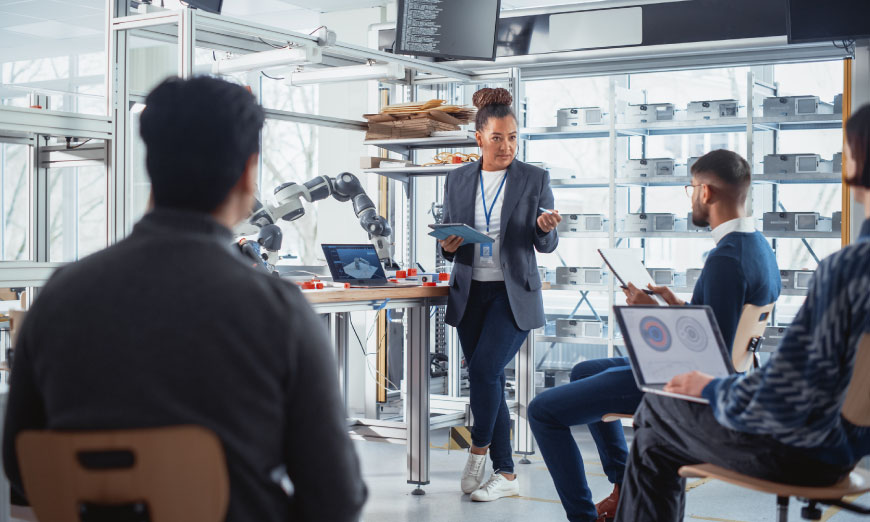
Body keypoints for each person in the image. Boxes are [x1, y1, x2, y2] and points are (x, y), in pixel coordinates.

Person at [2, 76, 367, 522]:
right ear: (249, 172)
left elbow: (20, 471)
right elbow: (335, 497)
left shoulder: (60, 295)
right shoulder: (279, 312)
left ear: (152, 164)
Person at [614, 104, 870, 522]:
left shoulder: (848, 271)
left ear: (858, 163)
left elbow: (784, 397)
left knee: (657, 412)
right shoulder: (762, 249)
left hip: (802, 451)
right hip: (849, 447)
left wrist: (710, 389)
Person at [528, 149, 781, 522]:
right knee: (583, 370)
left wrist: (648, 313)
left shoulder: (725, 260)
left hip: (679, 382)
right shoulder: (758, 247)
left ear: (707, 193)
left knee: (542, 412)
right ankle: (623, 486)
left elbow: (712, 360)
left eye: (691, 188)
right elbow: (717, 327)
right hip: (706, 372)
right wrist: (674, 306)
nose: (691, 196)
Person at [439, 87, 561, 502]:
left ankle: (477, 450)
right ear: (479, 138)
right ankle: (506, 476)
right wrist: (448, 246)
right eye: (497, 138)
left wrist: (545, 230)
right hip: (470, 291)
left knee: (485, 371)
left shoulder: (534, 178)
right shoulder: (456, 179)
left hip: (513, 296)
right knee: (486, 380)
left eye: (512, 137)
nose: (506, 145)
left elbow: (544, 244)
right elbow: (448, 237)